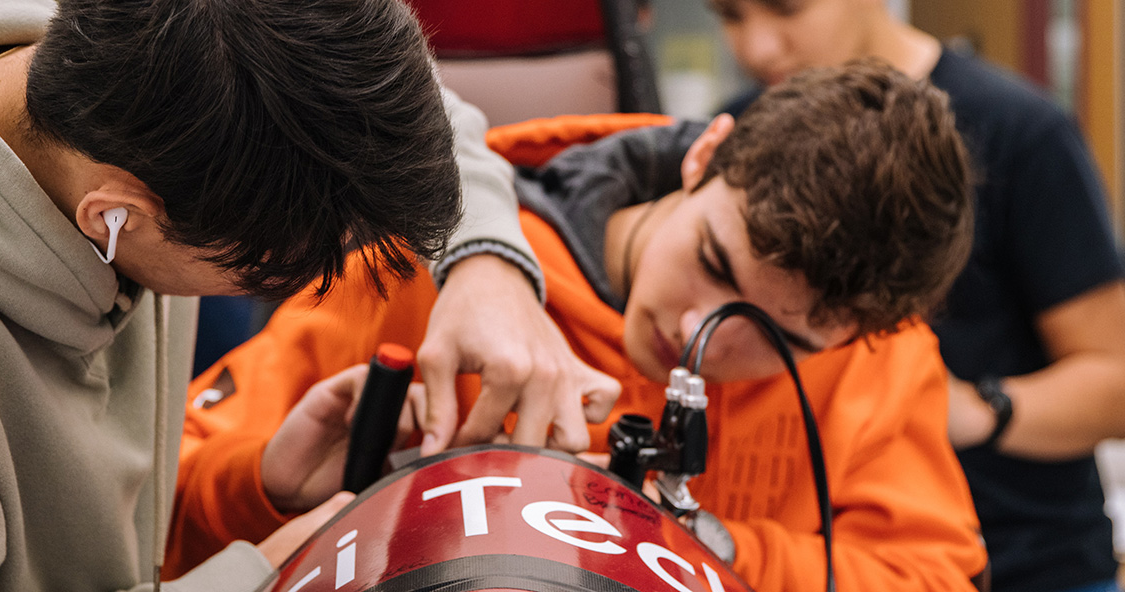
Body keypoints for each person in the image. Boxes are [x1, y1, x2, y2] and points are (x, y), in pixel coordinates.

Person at [170, 60, 988, 591]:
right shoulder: (431, 268)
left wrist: (710, 549)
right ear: (705, 153)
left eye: (783, 342)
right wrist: (263, 492)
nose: (703, 330)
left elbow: (935, 575)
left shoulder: (884, 357)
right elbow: (141, 517)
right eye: (713, 261)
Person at [0, 0, 616, 589]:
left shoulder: (146, 77)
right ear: (116, 217)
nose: (312, 287)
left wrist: (486, 262)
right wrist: (253, 577)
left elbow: (416, 107)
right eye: (270, 276)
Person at [702, 2, 1125, 591]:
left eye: (786, 8)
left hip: (1033, 566)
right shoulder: (733, 136)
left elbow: (1116, 383)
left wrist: (974, 410)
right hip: (818, 567)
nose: (759, 48)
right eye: (729, 15)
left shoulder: (1020, 132)